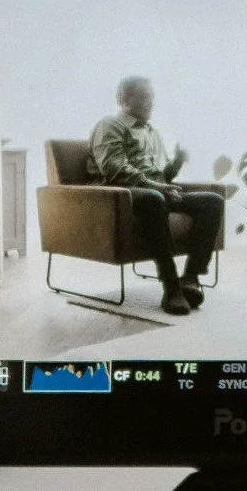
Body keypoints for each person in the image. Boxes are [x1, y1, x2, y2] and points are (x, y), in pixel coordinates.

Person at [87, 76, 222, 316]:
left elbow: (161, 175)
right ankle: (171, 288)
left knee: (212, 201)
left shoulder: (151, 132)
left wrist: (176, 164)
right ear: (124, 100)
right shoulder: (110, 124)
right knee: (153, 198)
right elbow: (115, 169)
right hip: (120, 194)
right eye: (145, 97)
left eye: (152, 97)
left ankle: (190, 279)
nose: (152, 103)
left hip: (153, 191)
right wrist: (158, 188)